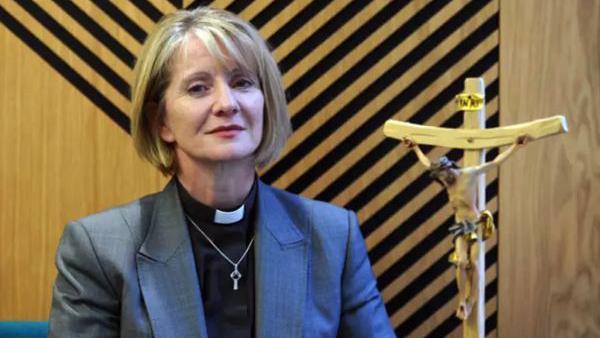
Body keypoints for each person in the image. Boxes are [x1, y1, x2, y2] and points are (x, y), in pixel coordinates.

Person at [49, 7, 394, 338]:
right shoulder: (99, 249)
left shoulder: (333, 237)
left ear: (265, 102)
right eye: (198, 87)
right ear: (161, 121)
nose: (227, 103)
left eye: (242, 82)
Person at [403, 135, 529, 320]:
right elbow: (427, 163)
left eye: (442, 175)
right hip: (459, 225)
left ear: (448, 169)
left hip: (475, 224)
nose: (442, 180)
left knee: (475, 263)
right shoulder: (446, 181)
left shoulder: (469, 174)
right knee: (461, 262)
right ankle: (462, 299)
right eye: (439, 177)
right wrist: (415, 148)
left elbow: (494, 163)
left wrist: (515, 146)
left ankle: (472, 299)